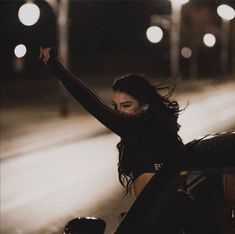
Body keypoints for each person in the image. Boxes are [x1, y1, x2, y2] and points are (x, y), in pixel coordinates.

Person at [39, 48, 235, 233]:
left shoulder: (137, 127)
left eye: (126, 105)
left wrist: (57, 68)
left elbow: (93, 104)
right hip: (168, 219)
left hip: (164, 220)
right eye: (116, 107)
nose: (119, 113)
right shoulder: (164, 134)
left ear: (145, 106)